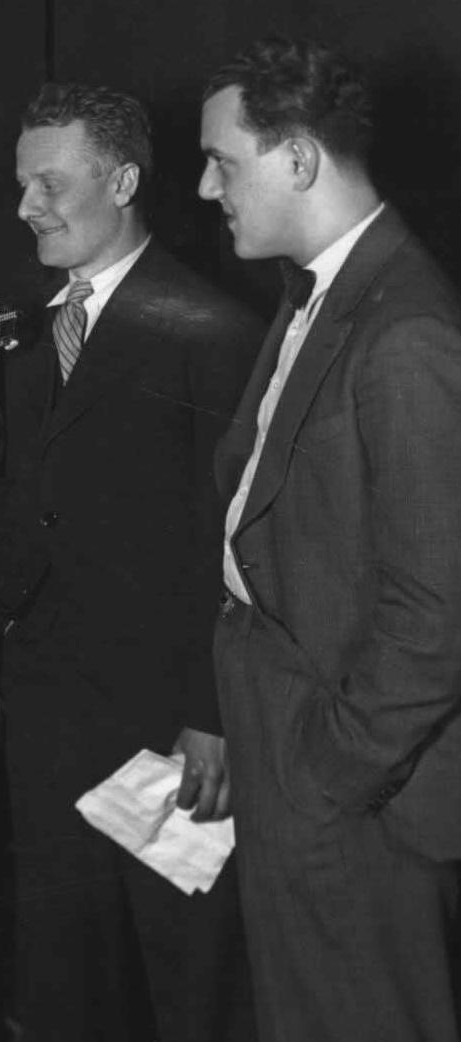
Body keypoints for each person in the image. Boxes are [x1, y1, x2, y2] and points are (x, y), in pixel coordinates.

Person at [0, 83, 263, 1040]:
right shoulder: (37, 333)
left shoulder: (214, 331)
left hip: (169, 729)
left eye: (48, 183)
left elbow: (234, 544)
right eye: (21, 184)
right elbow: (34, 496)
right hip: (50, 718)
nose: (24, 206)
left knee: (187, 979)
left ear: (121, 182)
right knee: (68, 982)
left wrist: (211, 716)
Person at [201, 38, 461, 1041]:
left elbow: (437, 618)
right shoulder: (321, 291)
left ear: (299, 158)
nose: (206, 187)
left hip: (352, 786)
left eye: (222, 162)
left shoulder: (408, 333)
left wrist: (326, 775)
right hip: (285, 730)